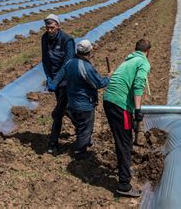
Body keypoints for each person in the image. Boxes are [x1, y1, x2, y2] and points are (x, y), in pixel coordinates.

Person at [103, 39, 151, 197]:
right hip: (119, 104)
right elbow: (138, 85)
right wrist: (137, 111)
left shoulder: (128, 60)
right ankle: (124, 185)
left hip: (109, 100)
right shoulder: (143, 62)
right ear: (148, 52)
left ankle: (125, 163)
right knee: (124, 142)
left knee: (123, 138)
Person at [48, 40, 110, 159]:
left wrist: (54, 83)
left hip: (72, 102)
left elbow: (62, 74)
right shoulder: (86, 67)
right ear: (89, 52)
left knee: (81, 125)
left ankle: (83, 144)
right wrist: (108, 77)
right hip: (85, 103)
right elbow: (99, 83)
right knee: (86, 129)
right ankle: (79, 152)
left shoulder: (69, 63)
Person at [41, 14, 76, 155]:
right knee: (65, 109)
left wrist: (56, 81)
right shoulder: (44, 38)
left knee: (57, 113)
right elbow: (45, 59)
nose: (49, 30)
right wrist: (49, 77)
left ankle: (53, 144)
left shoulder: (67, 40)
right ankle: (83, 130)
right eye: (47, 27)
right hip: (55, 79)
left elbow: (68, 64)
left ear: (58, 26)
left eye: (52, 27)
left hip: (67, 80)